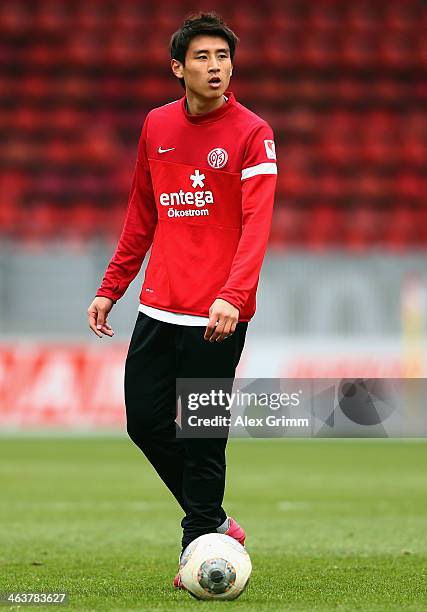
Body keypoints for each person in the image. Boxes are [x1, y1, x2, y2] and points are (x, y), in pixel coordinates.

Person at [87, 12, 277, 588]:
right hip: (158, 307)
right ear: (178, 67)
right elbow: (142, 215)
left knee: (202, 437)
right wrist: (110, 287)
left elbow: (257, 224)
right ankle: (217, 519)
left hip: (218, 315)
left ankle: (199, 545)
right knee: (144, 422)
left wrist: (233, 295)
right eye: (202, 57)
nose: (215, 66)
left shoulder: (252, 132)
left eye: (223, 56)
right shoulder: (156, 125)